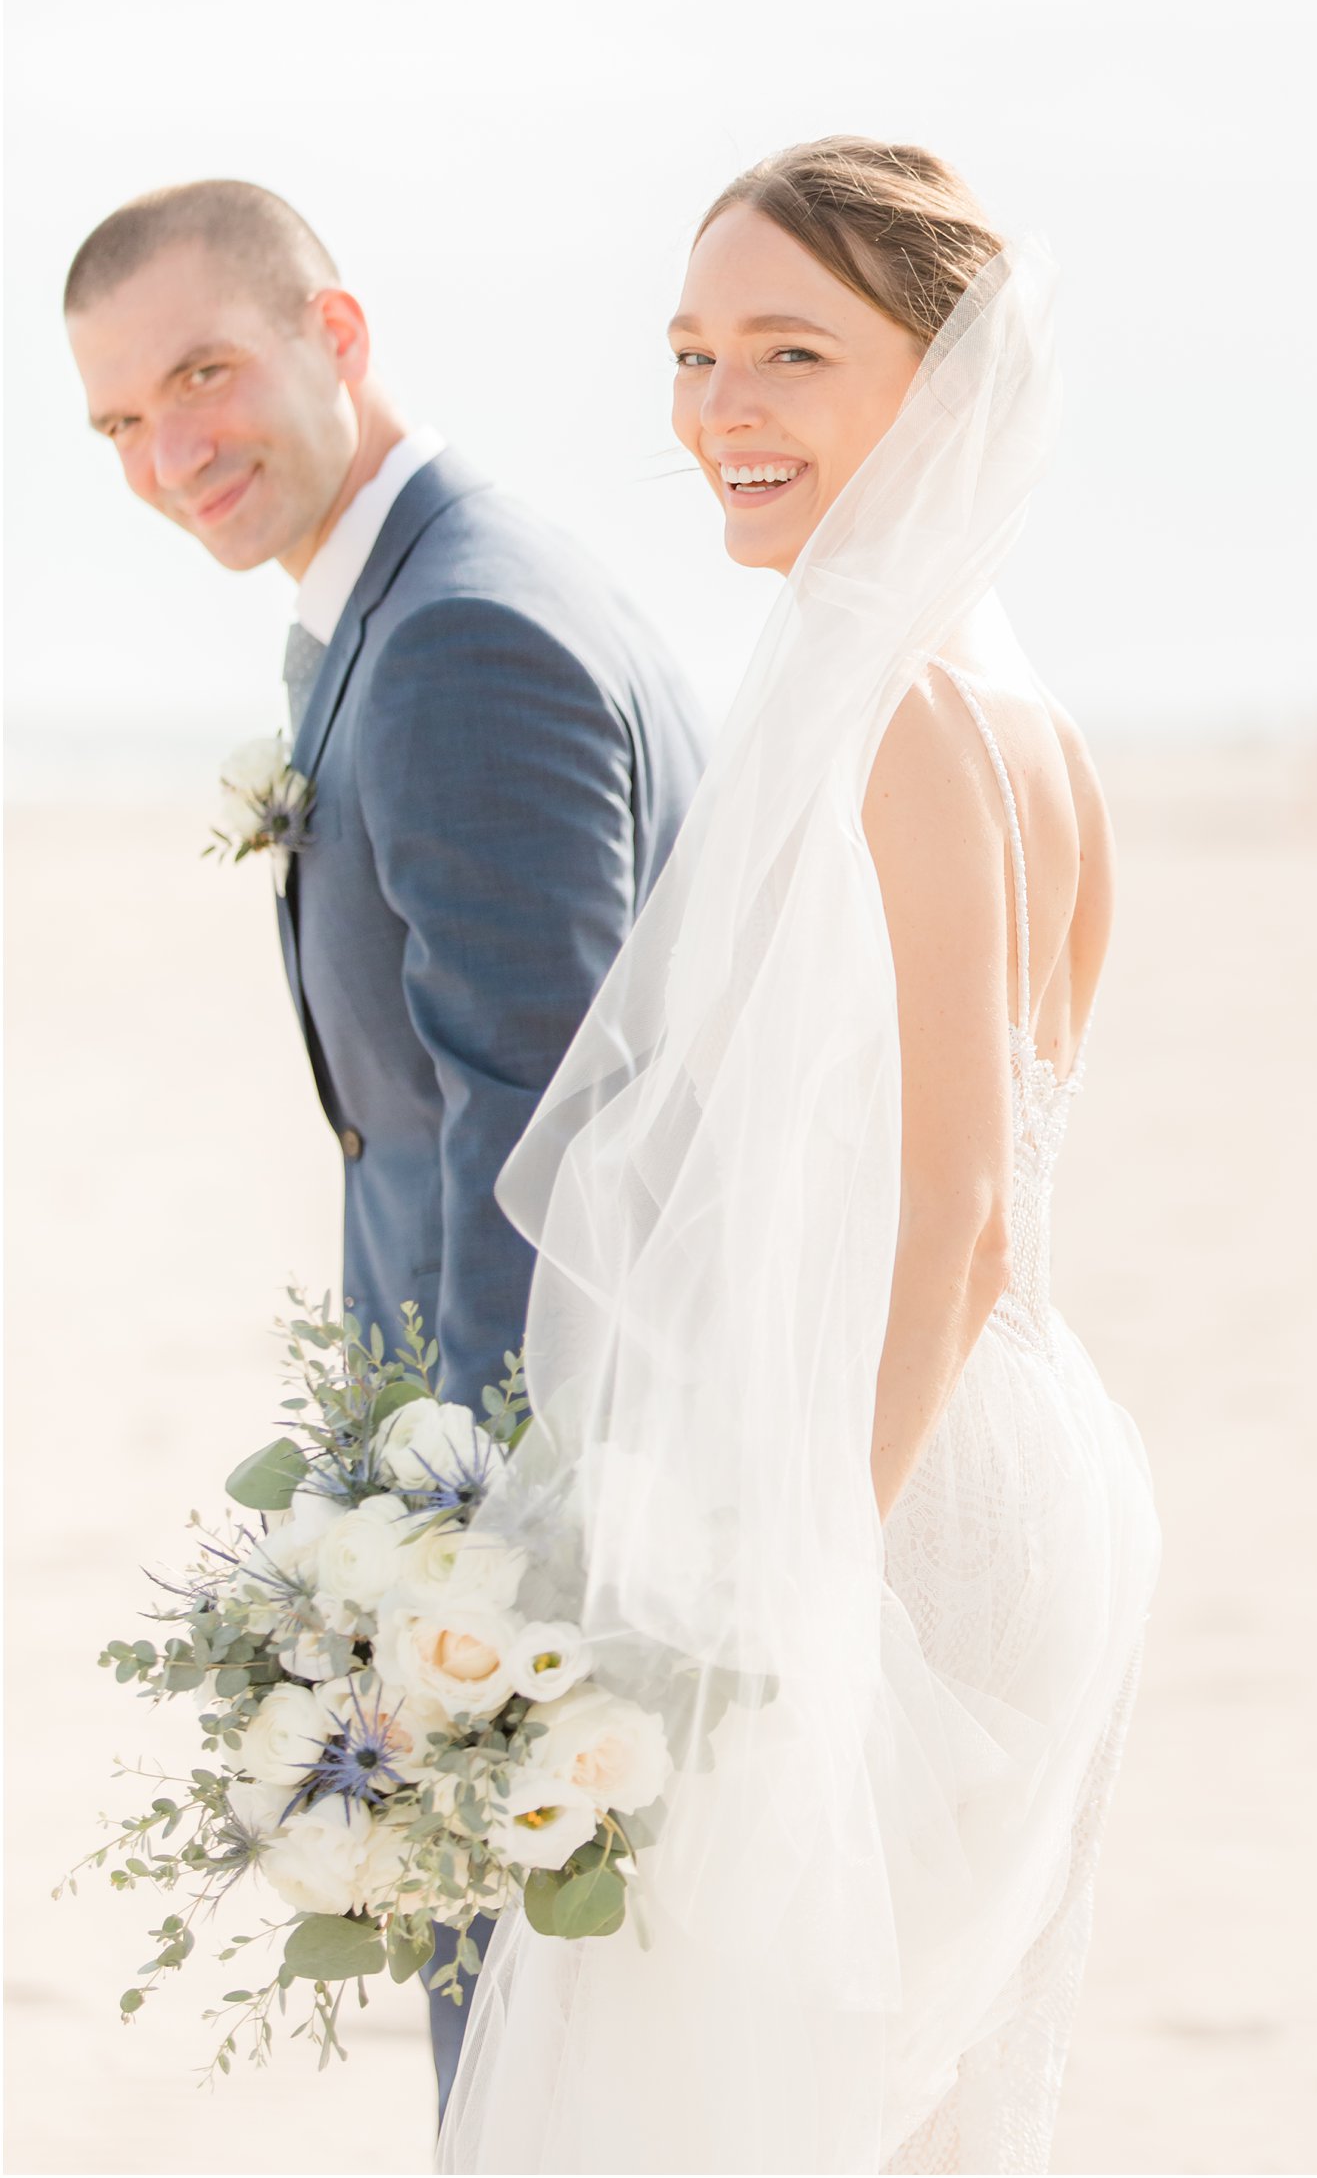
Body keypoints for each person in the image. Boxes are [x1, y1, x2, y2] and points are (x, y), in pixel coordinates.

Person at [440, 138, 1163, 2175]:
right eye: (689, 355)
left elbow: (962, 1206)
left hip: (897, 1479)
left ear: (935, 384)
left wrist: (800, 1570)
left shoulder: (903, 708)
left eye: (785, 353)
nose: (716, 412)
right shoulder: (1027, 717)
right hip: (1012, 1447)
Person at [61, 180, 708, 2118]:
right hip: (505, 1480)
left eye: (203, 373)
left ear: (332, 336)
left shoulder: (460, 635)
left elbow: (542, 1123)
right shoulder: (415, 595)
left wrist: (457, 1572)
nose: (170, 453)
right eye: (115, 423)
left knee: (545, 2086)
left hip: (540, 1525)